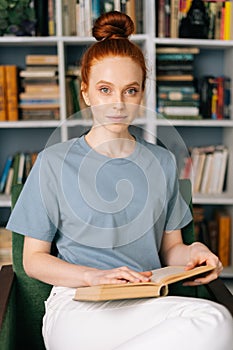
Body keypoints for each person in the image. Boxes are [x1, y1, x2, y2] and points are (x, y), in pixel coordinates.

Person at [6, 11, 233, 350]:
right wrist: (92, 276)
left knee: (216, 320)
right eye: (104, 89)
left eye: (130, 90)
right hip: (78, 304)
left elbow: (170, 250)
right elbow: (33, 260)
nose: (118, 103)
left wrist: (195, 251)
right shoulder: (54, 162)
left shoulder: (162, 162)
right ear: (85, 94)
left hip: (147, 301)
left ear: (142, 94)